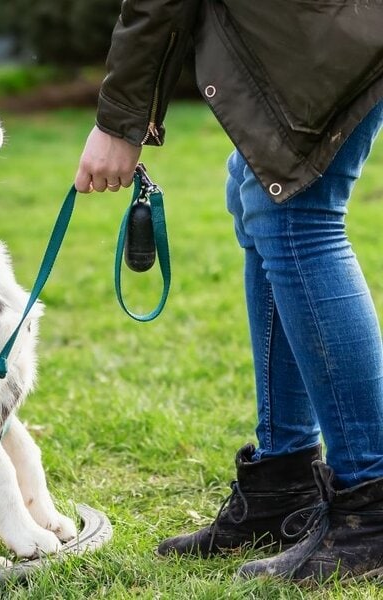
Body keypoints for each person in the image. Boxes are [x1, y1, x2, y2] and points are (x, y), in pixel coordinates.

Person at [75, 0, 383, 583]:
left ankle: (371, 509)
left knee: (297, 217)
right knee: (258, 192)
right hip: (322, 26)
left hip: (327, 32)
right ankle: (282, 484)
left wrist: (120, 123)